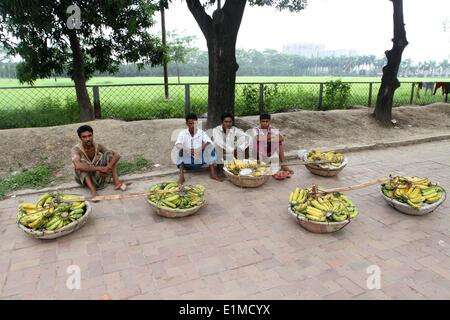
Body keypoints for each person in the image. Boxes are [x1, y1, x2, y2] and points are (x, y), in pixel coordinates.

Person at [71, 125, 129, 198]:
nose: (88, 139)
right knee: (81, 164)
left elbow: (117, 155)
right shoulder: (76, 149)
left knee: (109, 154)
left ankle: (117, 182)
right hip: (85, 180)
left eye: (90, 135)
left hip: (98, 177)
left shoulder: (98, 146)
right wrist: (100, 168)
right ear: (80, 138)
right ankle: (93, 191)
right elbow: (78, 166)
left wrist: (108, 167)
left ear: (93, 135)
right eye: (84, 137)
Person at [175, 113, 221, 185]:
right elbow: (178, 144)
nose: (193, 125)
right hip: (188, 162)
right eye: (190, 123)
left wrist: (199, 149)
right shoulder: (183, 133)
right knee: (181, 151)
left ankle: (212, 173)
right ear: (187, 124)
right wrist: (188, 150)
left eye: (194, 123)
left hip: (200, 159)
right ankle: (181, 177)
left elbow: (209, 142)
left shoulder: (201, 132)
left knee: (210, 148)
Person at [212, 112, 250, 177]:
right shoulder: (216, 130)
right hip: (221, 153)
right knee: (218, 146)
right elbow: (218, 142)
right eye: (226, 122)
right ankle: (220, 169)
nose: (228, 124)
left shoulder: (235, 129)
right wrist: (232, 150)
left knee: (245, 141)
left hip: (233, 153)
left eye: (230, 122)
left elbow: (247, 137)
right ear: (222, 122)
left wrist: (240, 148)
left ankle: (244, 167)